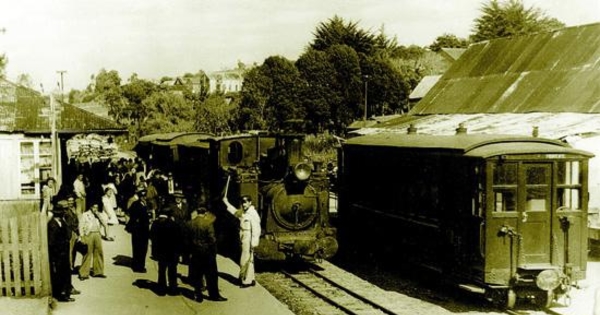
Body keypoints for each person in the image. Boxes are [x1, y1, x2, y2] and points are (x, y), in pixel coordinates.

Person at [187, 206, 227, 302]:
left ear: (197, 212)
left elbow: (187, 239)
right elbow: (212, 240)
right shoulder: (208, 224)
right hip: (207, 253)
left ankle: (198, 294)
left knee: (198, 274)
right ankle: (214, 295)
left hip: (195, 252)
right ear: (205, 213)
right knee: (211, 275)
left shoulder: (189, 223)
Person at [222, 194, 261, 288]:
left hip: (249, 237)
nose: (244, 204)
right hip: (244, 236)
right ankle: (250, 279)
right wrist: (226, 202)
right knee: (249, 259)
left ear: (250, 203)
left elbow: (256, 229)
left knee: (245, 259)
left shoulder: (253, 214)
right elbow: (235, 212)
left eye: (246, 202)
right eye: (242, 202)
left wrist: (254, 242)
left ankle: (245, 281)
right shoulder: (244, 212)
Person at [48, 200, 77, 302]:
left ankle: (66, 293)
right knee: (59, 275)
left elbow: (67, 234)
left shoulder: (61, 222)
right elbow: (51, 243)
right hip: (58, 255)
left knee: (65, 273)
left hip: (64, 252)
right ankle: (60, 295)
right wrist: (56, 255)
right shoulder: (52, 224)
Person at [149, 208, 181, 296]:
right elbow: (178, 239)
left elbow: (151, 236)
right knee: (172, 271)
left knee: (162, 270)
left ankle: (161, 289)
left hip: (160, 252)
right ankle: (172, 289)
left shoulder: (155, 224)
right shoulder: (174, 224)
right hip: (172, 252)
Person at [78, 203, 106, 280]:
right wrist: (82, 236)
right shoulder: (85, 214)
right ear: (90, 207)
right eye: (94, 207)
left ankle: (98, 271)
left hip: (97, 234)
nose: (95, 209)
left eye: (97, 207)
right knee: (87, 253)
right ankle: (83, 273)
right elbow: (81, 226)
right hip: (89, 234)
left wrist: (99, 215)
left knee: (99, 252)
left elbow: (104, 223)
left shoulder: (98, 214)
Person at [127, 187, 151, 273]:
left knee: (144, 249)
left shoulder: (146, 204)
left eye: (145, 197)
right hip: (138, 231)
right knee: (137, 248)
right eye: (143, 197)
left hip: (144, 231)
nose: (144, 198)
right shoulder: (136, 205)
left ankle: (141, 265)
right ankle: (137, 266)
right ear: (140, 197)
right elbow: (132, 215)